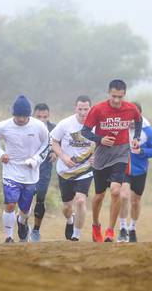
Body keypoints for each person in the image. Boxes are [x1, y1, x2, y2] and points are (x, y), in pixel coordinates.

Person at [81, 80, 142, 242]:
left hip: (121, 153)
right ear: (108, 93)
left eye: (120, 97)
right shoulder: (98, 109)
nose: (116, 100)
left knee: (116, 191)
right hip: (102, 155)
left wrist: (135, 137)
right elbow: (85, 131)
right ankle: (96, 225)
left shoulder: (131, 108)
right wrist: (100, 139)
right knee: (99, 195)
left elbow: (138, 120)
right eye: (114, 96)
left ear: (124, 94)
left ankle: (110, 230)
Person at [0, 95, 50, 243]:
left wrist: (35, 160)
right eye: (18, 116)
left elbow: (47, 144)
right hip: (11, 170)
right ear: (13, 114)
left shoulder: (39, 126)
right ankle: (9, 237)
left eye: (24, 116)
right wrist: (1, 153)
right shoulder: (3, 126)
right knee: (10, 203)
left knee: (25, 210)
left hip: (30, 172)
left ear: (29, 115)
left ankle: (22, 222)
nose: (21, 119)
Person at [50, 95, 95, 241]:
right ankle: (70, 220)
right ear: (75, 108)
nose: (83, 112)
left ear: (91, 108)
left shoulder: (96, 125)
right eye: (80, 109)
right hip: (65, 171)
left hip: (86, 170)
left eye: (86, 109)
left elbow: (104, 143)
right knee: (67, 207)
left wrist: (98, 156)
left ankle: (76, 234)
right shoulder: (65, 124)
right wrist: (63, 157)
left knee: (81, 200)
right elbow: (54, 141)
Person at [117, 102, 152, 243]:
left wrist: (142, 151)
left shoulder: (146, 130)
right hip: (123, 168)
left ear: (139, 116)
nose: (130, 121)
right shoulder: (119, 125)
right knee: (123, 196)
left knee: (135, 201)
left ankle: (132, 228)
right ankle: (122, 228)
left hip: (140, 169)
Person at [30, 103, 57, 242]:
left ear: (49, 116)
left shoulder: (54, 128)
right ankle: (22, 225)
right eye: (38, 116)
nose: (41, 119)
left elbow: (60, 144)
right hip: (28, 168)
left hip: (45, 168)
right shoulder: (26, 126)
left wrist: (54, 153)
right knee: (26, 198)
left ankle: (35, 230)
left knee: (40, 199)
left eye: (44, 117)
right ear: (33, 115)